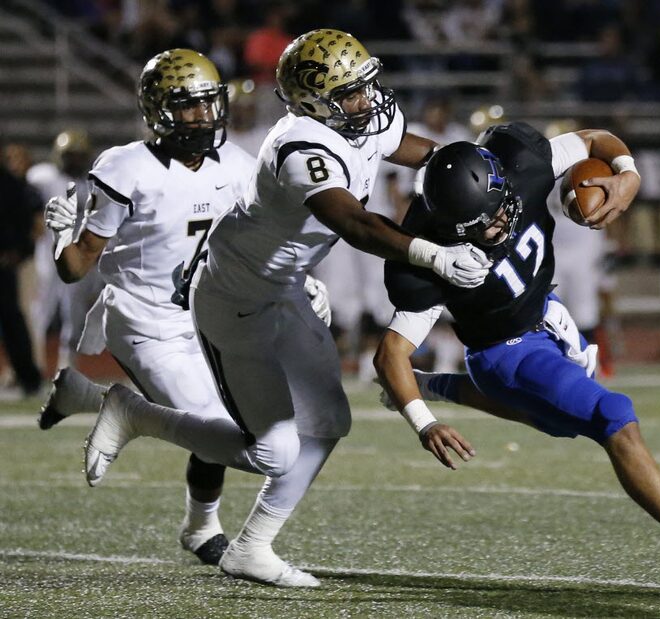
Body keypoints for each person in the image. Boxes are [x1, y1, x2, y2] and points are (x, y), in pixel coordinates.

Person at [79, 29, 492, 587]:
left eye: (367, 86)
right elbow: (353, 223)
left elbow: (419, 152)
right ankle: (135, 413)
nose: (367, 101)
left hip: (287, 286)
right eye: (351, 93)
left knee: (329, 422)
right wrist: (434, 256)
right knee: (273, 452)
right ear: (315, 102)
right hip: (236, 298)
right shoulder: (300, 145)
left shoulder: (360, 115)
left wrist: (481, 167)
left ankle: (252, 547)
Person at [373, 129, 660, 591]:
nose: (502, 217)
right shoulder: (427, 257)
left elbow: (597, 139)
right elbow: (390, 353)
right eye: (486, 221)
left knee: (561, 422)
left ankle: (431, 383)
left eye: (501, 203)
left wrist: (628, 175)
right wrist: (424, 424)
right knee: (612, 414)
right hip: (505, 352)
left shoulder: (521, 163)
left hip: (545, 311)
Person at [39, 49, 259, 566]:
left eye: (209, 104)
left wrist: (300, 279)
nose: (203, 117)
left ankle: (89, 397)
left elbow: (258, 237)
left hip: (205, 317)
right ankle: (202, 526)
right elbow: (77, 266)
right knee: (219, 429)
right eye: (189, 106)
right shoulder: (126, 166)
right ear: (159, 110)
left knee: (240, 422)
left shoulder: (236, 164)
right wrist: (59, 238)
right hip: (141, 318)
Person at [26, 129, 104, 371]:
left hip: (74, 253)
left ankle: (66, 366)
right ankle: (30, 364)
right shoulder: (43, 177)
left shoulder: (91, 183)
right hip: (47, 253)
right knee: (39, 311)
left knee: (74, 313)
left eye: (80, 156)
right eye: (71, 155)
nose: (75, 161)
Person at [0, 152, 43, 398]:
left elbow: (26, 225)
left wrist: (18, 252)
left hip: (4, 264)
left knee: (12, 320)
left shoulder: (11, 185)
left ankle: (28, 378)